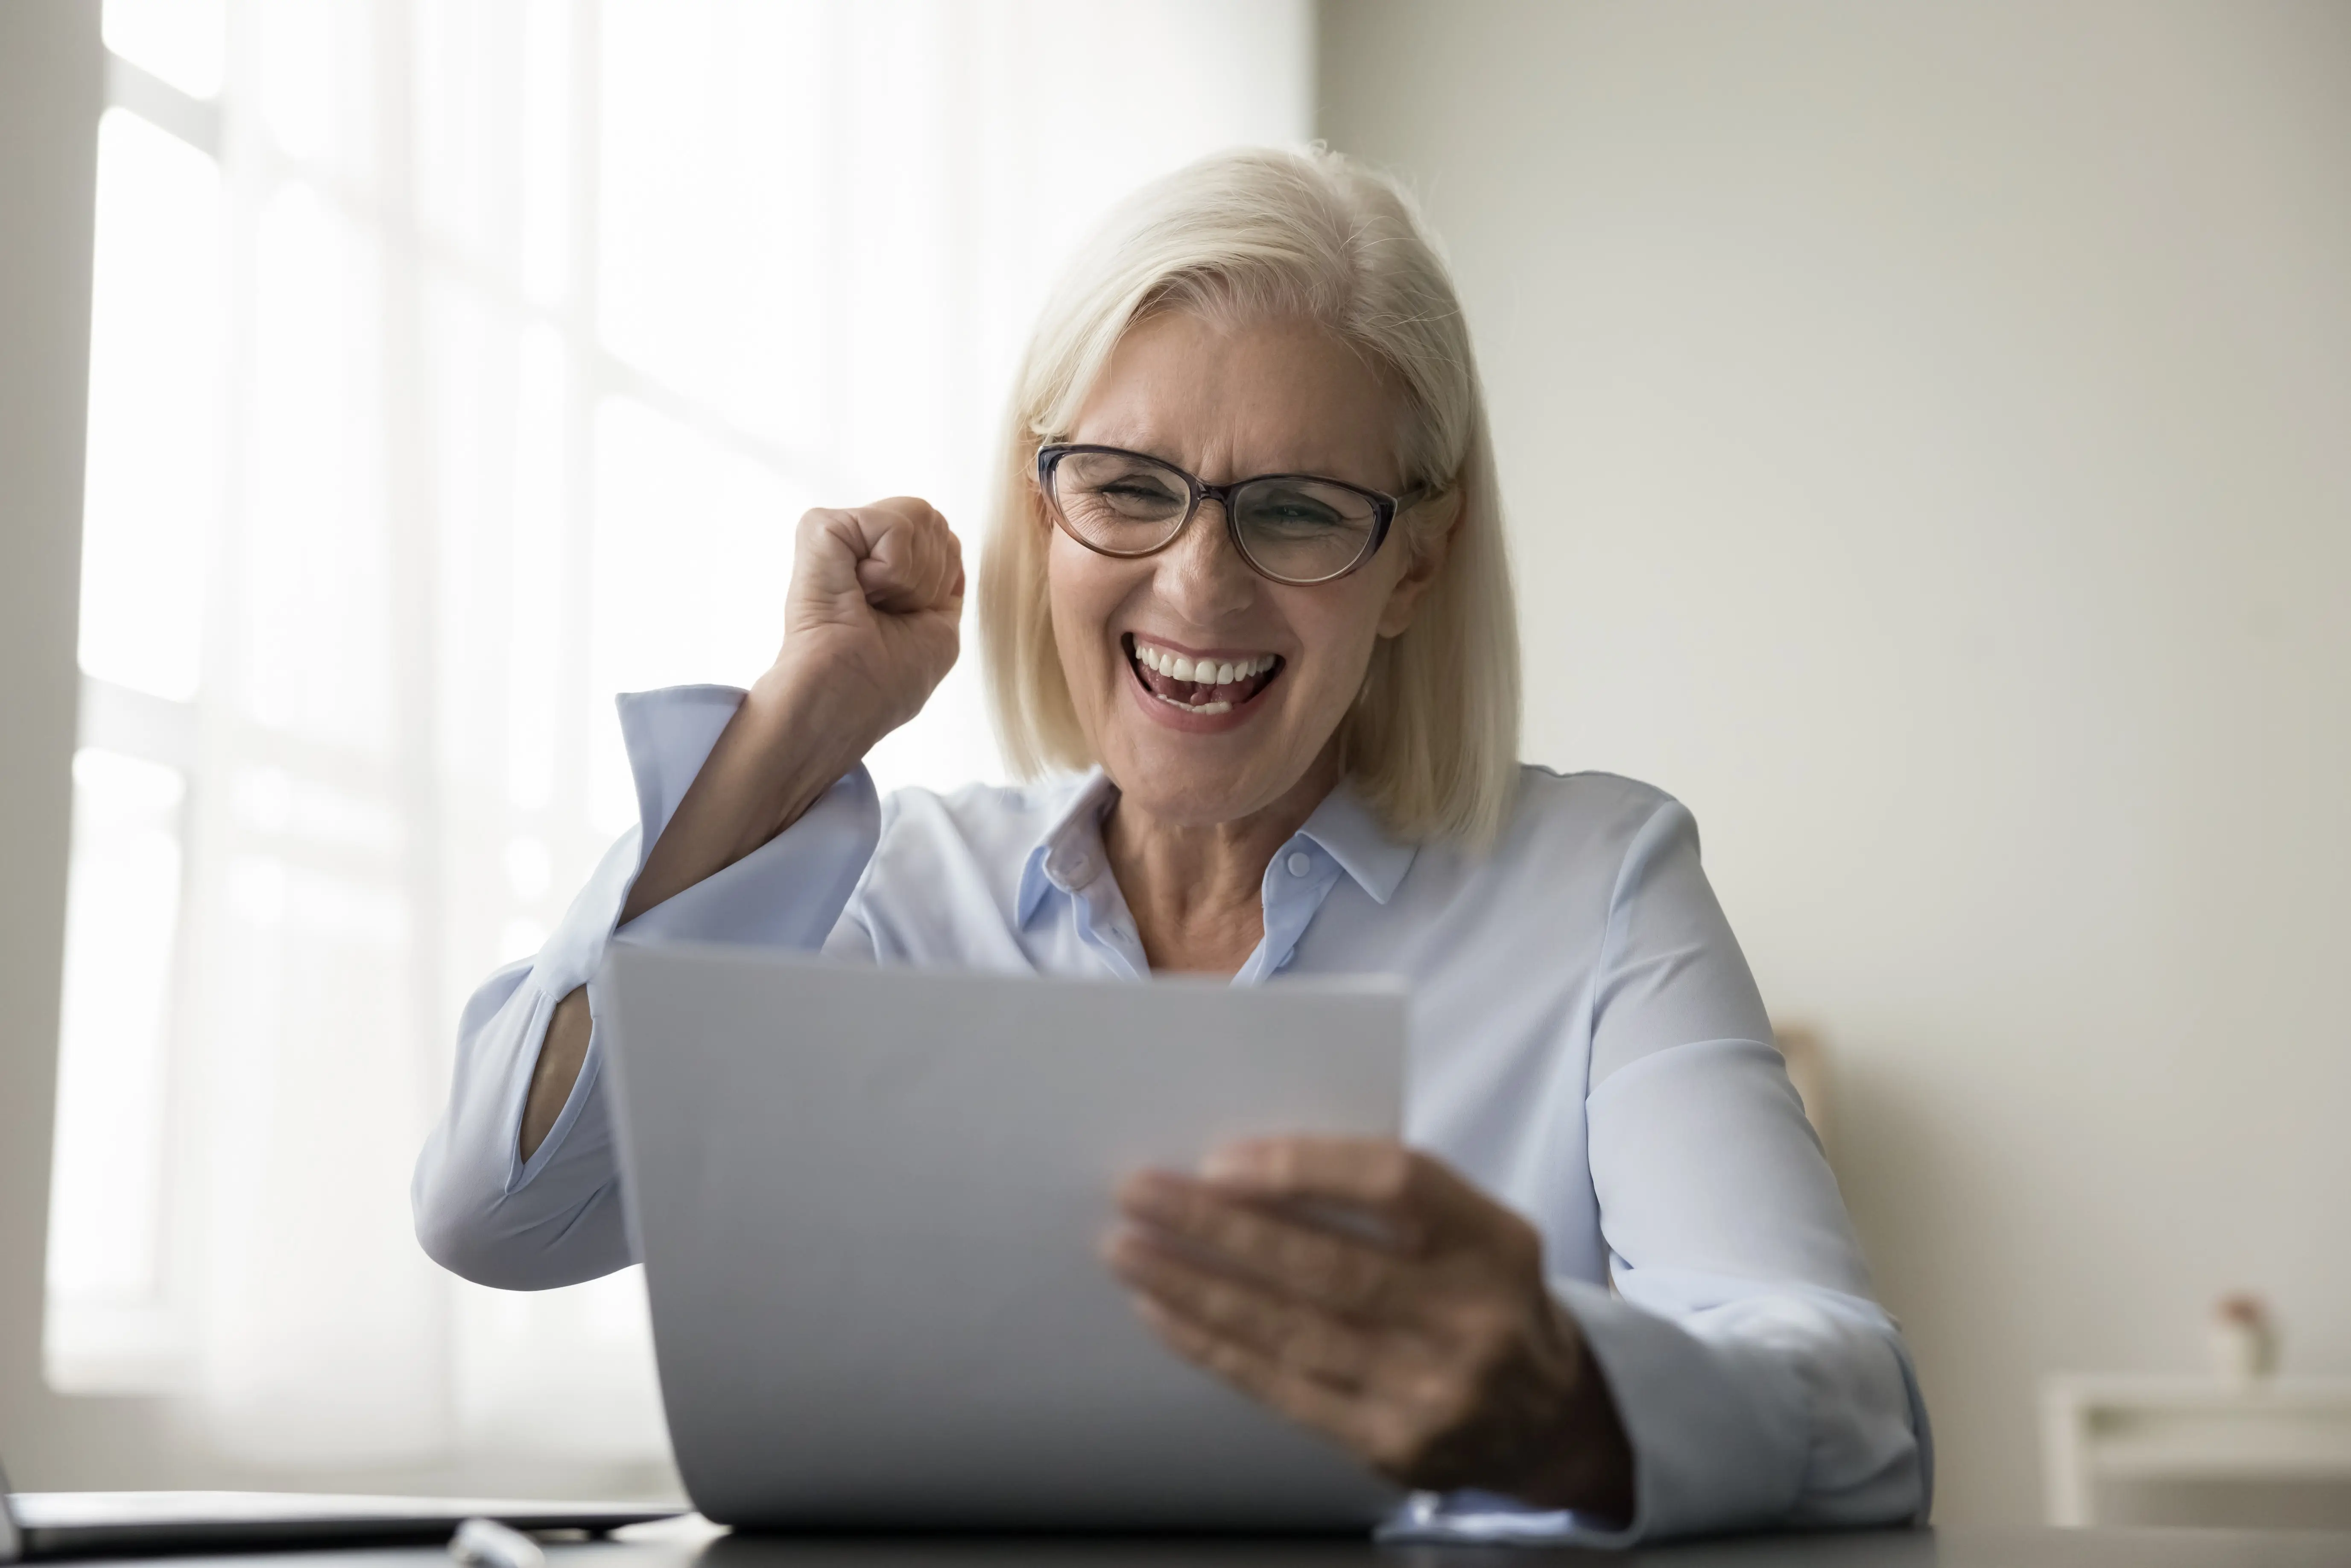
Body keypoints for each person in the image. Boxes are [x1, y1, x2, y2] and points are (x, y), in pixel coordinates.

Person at [413, 146, 1929, 1545]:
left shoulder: (1599, 885)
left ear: (1415, 561)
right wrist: (799, 730)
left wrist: (1569, 1399)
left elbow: (1855, 1410)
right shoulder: (898, 900)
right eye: (1130, 490)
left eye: (1293, 513)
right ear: (1046, 506)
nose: (1198, 590)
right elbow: (499, 1212)